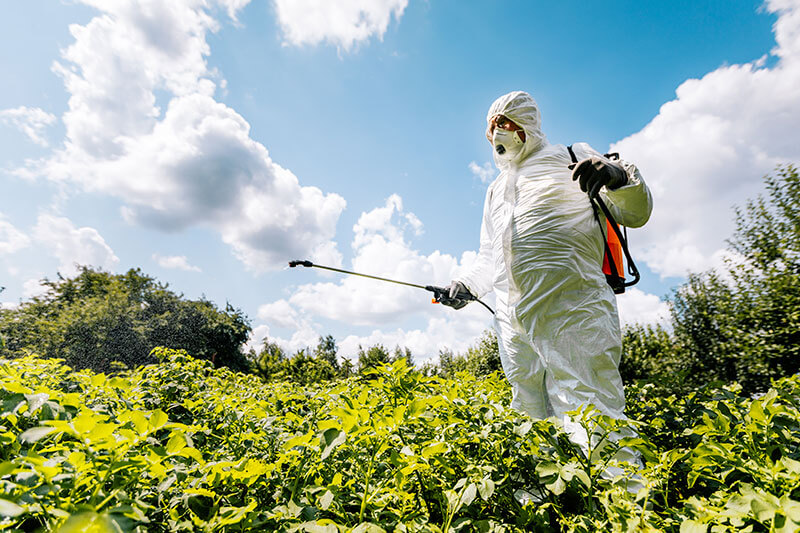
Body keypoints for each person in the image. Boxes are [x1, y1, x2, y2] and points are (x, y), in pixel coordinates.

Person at [444, 91, 653, 475]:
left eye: (504, 123)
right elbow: (489, 257)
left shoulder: (572, 157)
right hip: (513, 318)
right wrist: (465, 287)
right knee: (529, 411)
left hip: (573, 307)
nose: (497, 134)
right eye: (491, 128)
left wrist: (617, 176)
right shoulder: (494, 190)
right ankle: (545, 498)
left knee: (591, 408)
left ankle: (625, 504)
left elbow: (637, 213)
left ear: (527, 123)